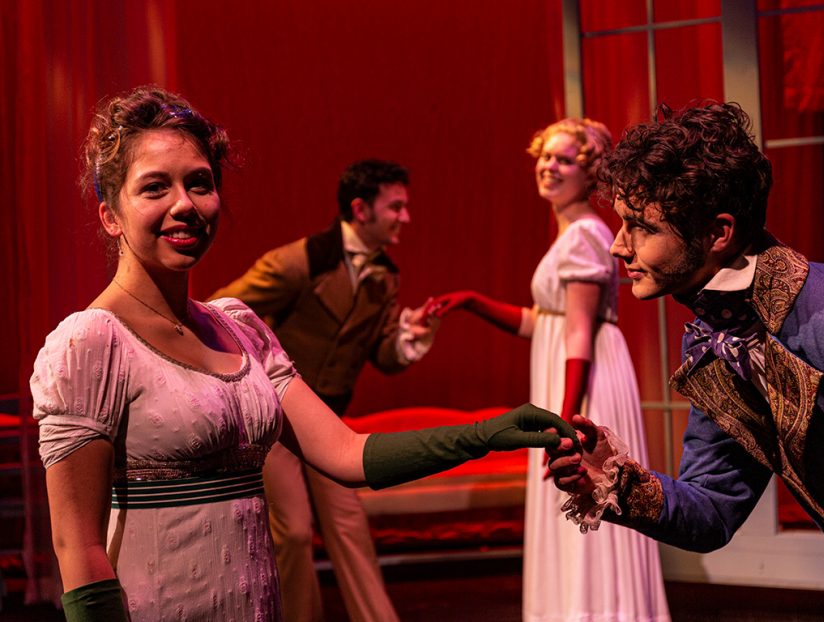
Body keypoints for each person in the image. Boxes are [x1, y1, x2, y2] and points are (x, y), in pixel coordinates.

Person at [29, 85, 576, 622]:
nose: (184, 205)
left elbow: (348, 453)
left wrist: (490, 432)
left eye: (200, 183)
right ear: (110, 215)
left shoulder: (239, 328)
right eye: (154, 188)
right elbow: (77, 548)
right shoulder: (90, 343)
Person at [548, 101, 824, 621]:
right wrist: (615, 480)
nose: (619, 246)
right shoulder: (721, 340)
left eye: (641, 226)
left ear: (718, 234)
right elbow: (713, 509)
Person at [428, 119, 670, 622]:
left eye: (563, 160)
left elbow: (578, 332)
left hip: (583, 382)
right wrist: (473, 302)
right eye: (544, 157)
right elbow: (545, 323)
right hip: (571, 372)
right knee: (573, 503)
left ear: (589, 173)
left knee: (584, 489)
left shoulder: (584, 234)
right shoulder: (572, 233)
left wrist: (564, 421)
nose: (549, 167)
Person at [210, 159, 434, 622]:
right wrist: (253, 375)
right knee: (292, 532)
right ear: (361, 209)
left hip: (329, 419)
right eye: (396, 207)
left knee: (350, 528)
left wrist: (407, 340)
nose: (405, 218)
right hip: (280, 417)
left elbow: (383, 355)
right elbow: (219, 312)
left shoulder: (384, 276)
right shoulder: (300, 261)